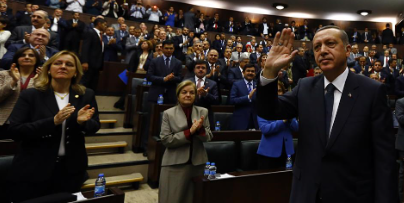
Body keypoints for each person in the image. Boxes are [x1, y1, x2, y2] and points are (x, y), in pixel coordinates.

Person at [257, 26, 397, 202]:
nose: (322, 51)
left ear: (347, 50)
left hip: (352, 195)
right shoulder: (304, 87)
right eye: (317, 47)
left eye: (330, 44)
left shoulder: (372, 91)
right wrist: (269, 71)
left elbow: (384, 157)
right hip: (307, 194)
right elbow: (268, 111)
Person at [8, 50, 100, 202]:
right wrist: (53, 122)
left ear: (76, 71)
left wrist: (81, 122)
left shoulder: (86, 94)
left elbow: (95, 126)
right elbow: (15, 131)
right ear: (49, 69)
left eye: (69, 64)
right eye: (58, 63)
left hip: (71, 169)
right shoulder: (31, 95)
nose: (63, 66)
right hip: (34, 168)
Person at [159, 80, 213, 203]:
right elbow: (166, 140)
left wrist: (200, 130)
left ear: (195, 95)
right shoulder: (168, 114)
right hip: (174, 164)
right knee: (171, 199)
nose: (188, 95)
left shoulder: (203, 112)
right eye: (184, 92)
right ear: (178, 96)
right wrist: (190, 132)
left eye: (191, 93)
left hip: (197, 164)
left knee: (194, 198)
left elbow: (209, 136)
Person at [0, 47, 40, 138]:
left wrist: (39, 82)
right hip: (4, 121)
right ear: (17, 59)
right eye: (23, 55)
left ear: (36, 59)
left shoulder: (41, 78)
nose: (27, 57)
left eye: (31, 55)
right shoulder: (3, 75)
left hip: (29, 122)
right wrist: (14, 81)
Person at [257, 82, 298, 169]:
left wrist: (290, 119)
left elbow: (296, 128)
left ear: (283, 93)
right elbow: (265, 129)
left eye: (279, 91)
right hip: (269, 153)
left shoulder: (288, 108)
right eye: (274, 91)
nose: (277, 93)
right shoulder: (263, 108)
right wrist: (283, 121)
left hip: (288, 152)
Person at [146, 40, 183, 104]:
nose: (169, 50)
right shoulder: (154, 61)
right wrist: (163, 79)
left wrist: (172, 78)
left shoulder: (178, 62)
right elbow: (149, 77)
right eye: (166, 48)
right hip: (156, 93)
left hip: (171, 95)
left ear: (174, 49)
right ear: (162, 48)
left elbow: (180, 78)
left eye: (171, 48)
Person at [80, 18, 107, 91]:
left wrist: (101, 66)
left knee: (93, 85)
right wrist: (84, 61)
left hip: (97, 65)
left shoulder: (101, 35)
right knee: (86, 83)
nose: (105, 27)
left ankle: (90, 100)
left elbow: (101, 51)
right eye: (104, 25)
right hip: (89, 64)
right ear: (99, 24)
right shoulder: (90, 32)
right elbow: (85, 48)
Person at [229, 63, 258, 130]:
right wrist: (247, 97)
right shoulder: (236, 84)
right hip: (241, 119)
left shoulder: (259, 85)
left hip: (255, 120)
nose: (250, 73)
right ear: (243, 72)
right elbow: (232, 100)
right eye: (248, 71)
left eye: (252, 71)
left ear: (255, 73)